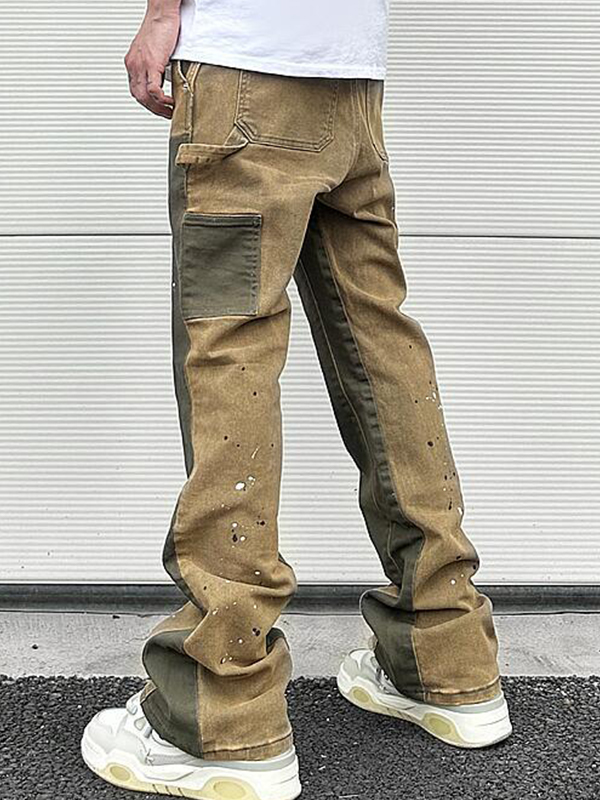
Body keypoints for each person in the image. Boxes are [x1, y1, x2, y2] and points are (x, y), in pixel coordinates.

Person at [80, 1, 512, 797]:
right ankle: (446, 657)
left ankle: (221, 709)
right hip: (352, 78)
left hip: (245, 70)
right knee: (381, 344)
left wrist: (162, 12)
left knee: (229, 347)